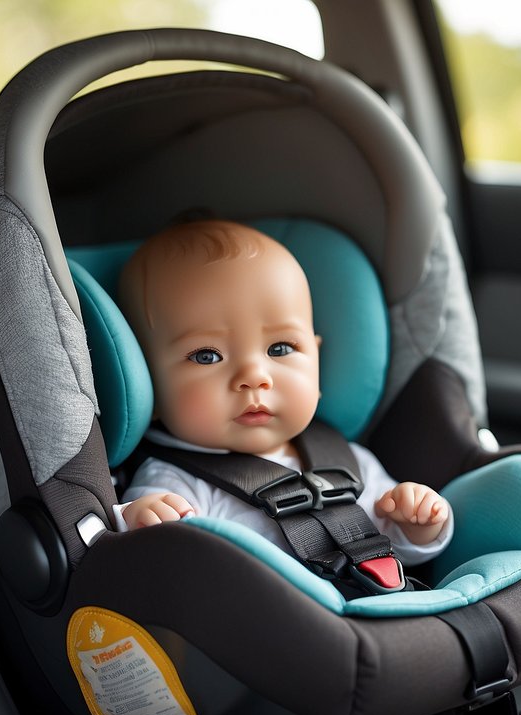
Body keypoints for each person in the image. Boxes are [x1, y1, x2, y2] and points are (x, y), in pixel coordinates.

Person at [113, 219, 452, 567]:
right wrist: (142, 518)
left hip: (375, 613)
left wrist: (418, 523)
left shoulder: (349, 460)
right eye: (207, 356)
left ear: (316, 359)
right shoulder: (172, 483)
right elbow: (148, 557)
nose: (254, 377)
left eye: (279, 349)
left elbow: (395, 547)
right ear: (149, 382)